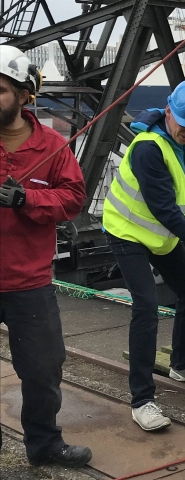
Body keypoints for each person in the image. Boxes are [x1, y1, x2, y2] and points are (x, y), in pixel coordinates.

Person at [102, 79, 185, 432]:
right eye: (183, 126)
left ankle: (182, 364)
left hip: (160, 237)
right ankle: (142, 400)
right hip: (128, 233)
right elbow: (166, 211)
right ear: (168, 112)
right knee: (145, 306)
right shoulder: (149, 148)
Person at [0, 45, 92, 467]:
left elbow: (73, 199)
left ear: (23, 95)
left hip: (28, 283)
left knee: (42, 371)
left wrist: (26, 198)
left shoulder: (52, 146)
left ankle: (44, 444)